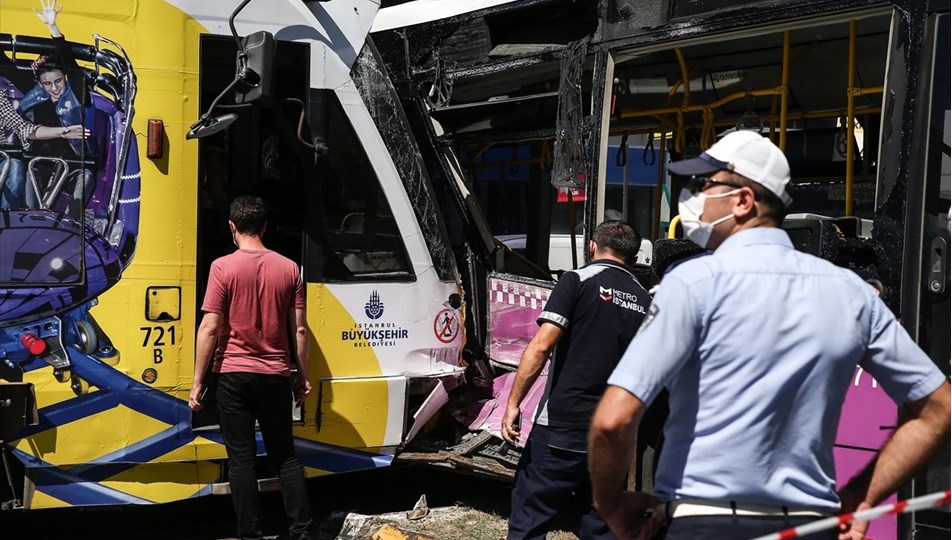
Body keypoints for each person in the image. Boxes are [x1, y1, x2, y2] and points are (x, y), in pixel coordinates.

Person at [587, 130, 951, 540]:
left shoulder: (692, 283)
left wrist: (611, 506)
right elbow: (937, 409)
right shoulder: (850, 293)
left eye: (706, 185)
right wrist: (862, 497)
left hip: (702, 523)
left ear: (743, 201)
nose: (695, 198)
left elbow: (613, 420)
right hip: (811, 527)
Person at [501, 220, 652, 540]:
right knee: (600, 521)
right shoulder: (645, 300)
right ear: (634, 259)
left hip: (562, 426)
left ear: (592, 247)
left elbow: (541, 345)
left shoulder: (577, 280)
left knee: (531, 513)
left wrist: (512, 404)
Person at [189, 196, 313, 540]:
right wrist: (302, 376)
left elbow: (210, 328)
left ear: (232, 228)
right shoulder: (290, 269)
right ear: (265, 227)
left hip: (232, 375)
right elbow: (300, 330)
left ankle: (250, 534)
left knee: (241, 460)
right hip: (274, 375)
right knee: (285, 456)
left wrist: (197, 382)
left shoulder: (222, 268)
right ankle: (302, 531)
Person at [18, 0, 95, 217]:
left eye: (58, 81)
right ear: (40, 84)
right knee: (28, 177)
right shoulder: (35, 96)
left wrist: (53, 28)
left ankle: (71, 223)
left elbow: (70, 63)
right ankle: (31, 219)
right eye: (48, 84)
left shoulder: (76, 92)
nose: (54, 88)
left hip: (75, 164)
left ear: (66, 78)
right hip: (42, 163)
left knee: (86, 178)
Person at [0, 91, 86, 209]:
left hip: (3, 157)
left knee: (15, 166)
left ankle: (7, 216)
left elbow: (24, 128)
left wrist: (62, 132)